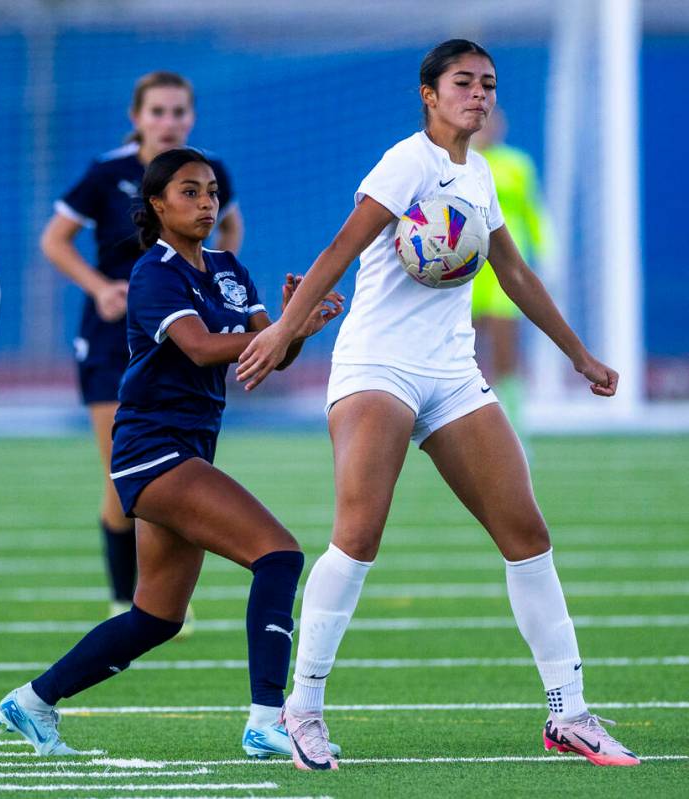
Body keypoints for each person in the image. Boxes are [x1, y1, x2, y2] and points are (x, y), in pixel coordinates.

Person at [236, 40, 639, 770]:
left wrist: (578, 354)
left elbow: (511, 271)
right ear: (428, 93)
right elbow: (338, 247)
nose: (477, 94)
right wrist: (282, 330)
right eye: (463, 82)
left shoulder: (478, 173)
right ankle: (303, 709)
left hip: (451, 372)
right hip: (377, 365)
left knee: (527, 534)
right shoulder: (405, 163)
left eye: (487, 84)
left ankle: (568, 714)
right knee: (357, 535)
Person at [0, 147, 342, 759]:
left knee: (157, 618)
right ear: (156, 204)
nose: (206, 202)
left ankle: (31, 700)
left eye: (211, 191)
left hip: (187, 448)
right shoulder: (152, 273)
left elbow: (269, 355)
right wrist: (276, 328)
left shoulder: (228, 266)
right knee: (279, 554)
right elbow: (205, 348)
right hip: (152, 451)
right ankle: (268, 719)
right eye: (189, 191)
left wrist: (295, 328)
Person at [40, 71, 243, 619]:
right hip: (112, 339)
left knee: (178, 469)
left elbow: (229, 234)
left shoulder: (209, 171)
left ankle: (160, 597)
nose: (168, 122)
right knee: (125, 474)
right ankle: (121, 597)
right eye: (157, 112)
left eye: (178, 111)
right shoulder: (107, 172)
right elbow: (54, 240)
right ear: (136, 118)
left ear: (191, 117)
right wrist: (101, 287)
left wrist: (214, 291)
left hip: (179, 338)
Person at [470, 107, 551, 440]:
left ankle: (515, 428)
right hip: (468, 268)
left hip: (506, 266)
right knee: (464, 354)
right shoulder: (458, 163)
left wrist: (546, 253)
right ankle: (466, 427)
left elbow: (533, 211)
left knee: (506, 352)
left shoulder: (517, 164)